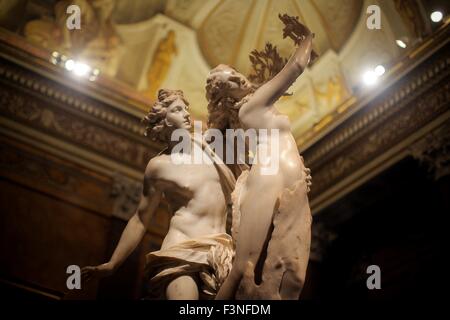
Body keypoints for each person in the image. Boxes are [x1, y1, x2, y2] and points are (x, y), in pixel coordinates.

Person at [81, 89, 235, 299]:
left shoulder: (210, 145)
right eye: (177, 109)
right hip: (181, 248)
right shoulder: (159, 166)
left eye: (186, 108)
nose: (186, 113)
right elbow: (140, 219)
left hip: (221, 251)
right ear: (165, 120)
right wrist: (113, 264)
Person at [206, 31, 314, 299]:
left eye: (233, 72)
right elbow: (297, 66)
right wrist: (306, 39)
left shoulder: (259, 107)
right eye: (228, 82)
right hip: (268, 179)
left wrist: (300, 169)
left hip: (294, 184)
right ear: (224, 94)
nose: (237, 77)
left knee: (294, 277)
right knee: (243, 268)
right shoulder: (251, 107)